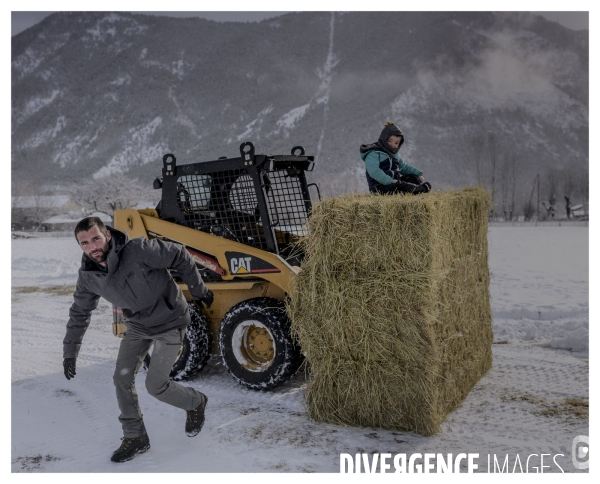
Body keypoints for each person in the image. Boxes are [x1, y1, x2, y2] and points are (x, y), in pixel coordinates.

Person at [63, 216, 214, 463]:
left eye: (96, 239)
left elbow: (180, 254)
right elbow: (79, 312)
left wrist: (199, 290)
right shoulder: (89, 276)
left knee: (156, 386)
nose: (92, 247)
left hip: (170, 322)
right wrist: (70, 351)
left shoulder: (138, 250)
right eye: (84, 243)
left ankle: (195, 402)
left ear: (107, 236)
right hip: (138, 326)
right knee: (121, 378)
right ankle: (135, 437)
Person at [360, 122, 432, 195]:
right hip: (379, 188)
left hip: (395, 182)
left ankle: (416, 189)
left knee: (413, 178)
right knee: (399, 186)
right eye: (390, 141)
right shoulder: (374, 153)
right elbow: (374, 172)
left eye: (396, 143)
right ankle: (419, 189)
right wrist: (390, 181)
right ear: (383, 139)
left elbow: (403, 167)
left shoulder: (394, 154)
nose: (393, 145)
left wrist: (418, 174)